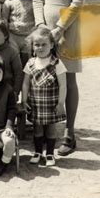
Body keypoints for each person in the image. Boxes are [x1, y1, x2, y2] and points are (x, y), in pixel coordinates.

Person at [33, 0, 90, 156]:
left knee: (67, 78)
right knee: (43, 75)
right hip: (45, 29)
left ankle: (69, 133)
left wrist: (60, 28)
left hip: (68, 29)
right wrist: (40, 25)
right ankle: (44, 129)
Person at [22, 27, 67, 167]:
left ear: (52, 45)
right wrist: (23, 100)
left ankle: (49, 154)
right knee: (37, 128)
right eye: (37, 44)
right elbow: (25, 84)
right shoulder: (30, 63)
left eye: (44, 44)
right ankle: (37, 152)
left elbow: (63, 85)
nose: (40, 47)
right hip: (36, 103)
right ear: (32, 46)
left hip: (52, 104)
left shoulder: (57, 63)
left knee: (51, 129)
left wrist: (60, 103)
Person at [2, 0, 35, 66]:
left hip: (28, 36)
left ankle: (27, 81)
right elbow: (4, 21)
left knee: (27, 62)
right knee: (14, 61)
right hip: (13, 36)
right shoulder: (9, 2)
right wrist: (7, 37)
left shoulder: (34, 1)